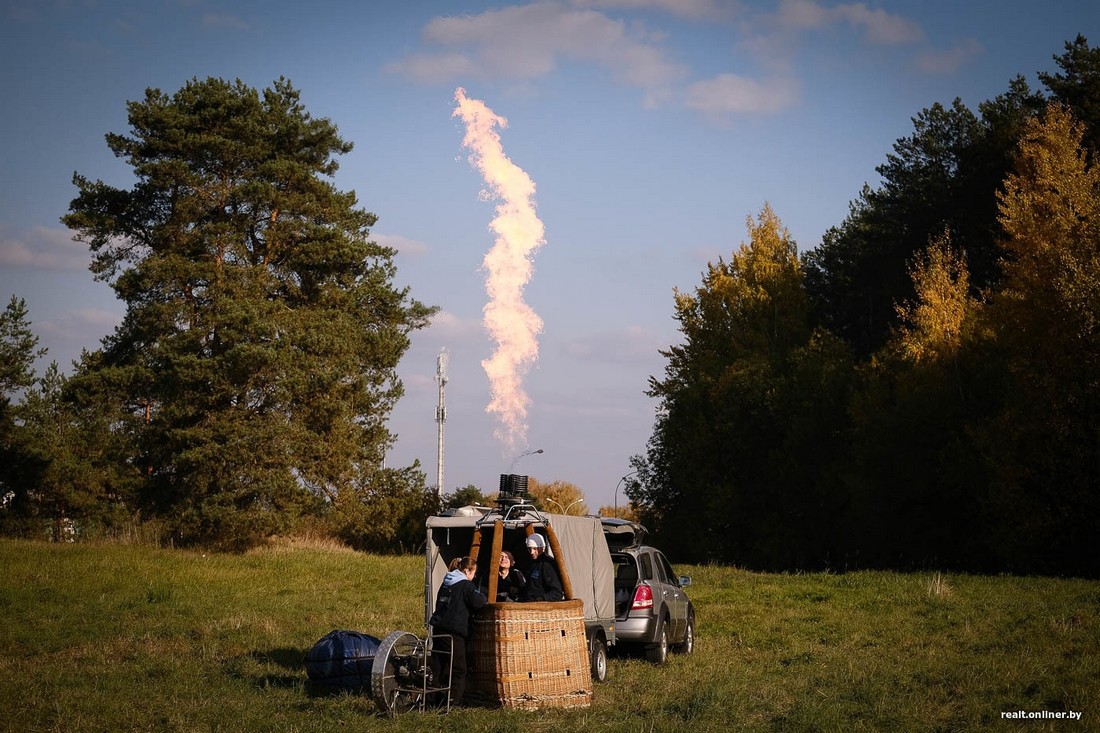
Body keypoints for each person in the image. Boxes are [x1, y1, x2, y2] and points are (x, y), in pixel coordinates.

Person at [429, 556, 487, 706]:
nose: (473, 577)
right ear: (467, 570)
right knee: (459, 668)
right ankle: (454, 702)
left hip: (438, 629)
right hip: (454, 632)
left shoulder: (446, 582)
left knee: (438, 666)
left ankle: (431, 699)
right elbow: (479, 602)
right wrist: (482, 594)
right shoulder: (465, 585)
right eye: (473, 573)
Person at [521, 533, 565, 602]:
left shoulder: (547, 564)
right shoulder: (531, 563)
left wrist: (538, 600)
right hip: (530, 604)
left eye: (535, 549)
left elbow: (557, 592)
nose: (532, 552)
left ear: (542, 548)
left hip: (541, 608)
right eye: (529, 549)